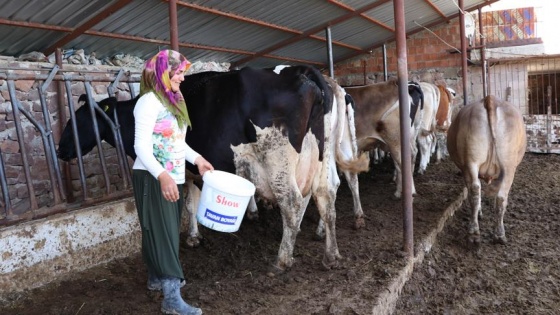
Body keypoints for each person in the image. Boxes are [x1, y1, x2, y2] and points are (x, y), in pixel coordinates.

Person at [132, 49, 213, 315]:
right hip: (153, 177)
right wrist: (162, 176)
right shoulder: (148, 102)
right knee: (163, 231)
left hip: (172, 176)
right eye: (178, 73)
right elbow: (140, 146)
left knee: (162, 228)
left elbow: (177, 141)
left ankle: (156, 278)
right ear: (162, 73)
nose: (182, 78)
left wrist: (198, 158)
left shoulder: (172, 101)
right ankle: (171, 297)